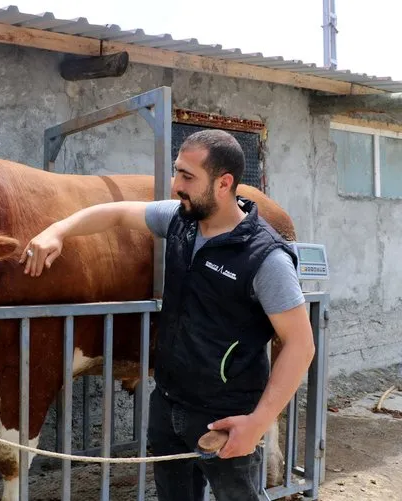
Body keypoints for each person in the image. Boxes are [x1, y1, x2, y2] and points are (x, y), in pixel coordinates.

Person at [18, 129, 316, 501]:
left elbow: (300, 346)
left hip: (227, 417)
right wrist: (58, 230)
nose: (176, 185)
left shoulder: (266, 257)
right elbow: (117, 213)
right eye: (177, 172)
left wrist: (257, 423)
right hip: (169, 403)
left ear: (224, 183)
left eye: (187, 177)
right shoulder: (180, 221)